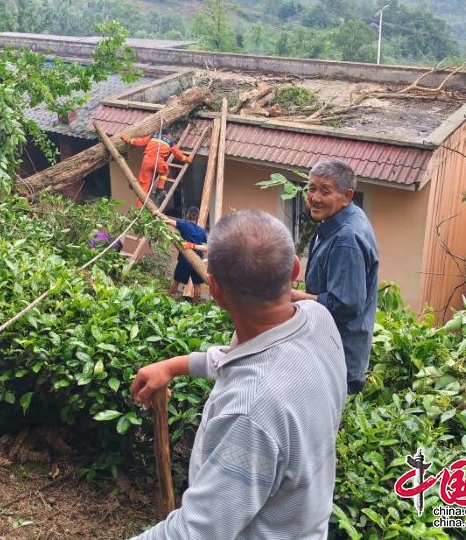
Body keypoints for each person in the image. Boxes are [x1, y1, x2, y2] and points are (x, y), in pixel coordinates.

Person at [130, 209, 347, 540]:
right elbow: (242, 358)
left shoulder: (250, 412)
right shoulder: (317, 320)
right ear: (294, 270)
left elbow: (196, 532)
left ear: (214, 287)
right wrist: (172, 366)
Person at [291, 159, 379, 395]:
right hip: (330, 349)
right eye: (312, 188)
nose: (315, 198)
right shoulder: (339, 218)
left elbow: (346, 304)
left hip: (338, 358)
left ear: (347, 195)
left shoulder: (346, 239)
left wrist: (291, 296)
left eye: (325, 191)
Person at [121, 129, 193, 206]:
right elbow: (177, 154)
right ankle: (160, 188)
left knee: (143, 188)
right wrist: (186, 159)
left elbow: (140, 142)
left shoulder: (153, 137)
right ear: (168, 135)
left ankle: (138, 209)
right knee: (165, 171)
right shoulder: (170, 142)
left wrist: (128, 140)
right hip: (157, 160)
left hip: (146, 160)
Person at [164, 206, 207, 303]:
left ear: (187, 215)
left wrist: (158, 214)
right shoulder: (201, 231)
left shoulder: (184, 225)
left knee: (176, 282)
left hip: (184, 260)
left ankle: (169, 302)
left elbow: (169, 221)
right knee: (197, 286)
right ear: (198, 217)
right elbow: (206, 248)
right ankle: (195, 307)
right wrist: (194, 246)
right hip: (197, 261)